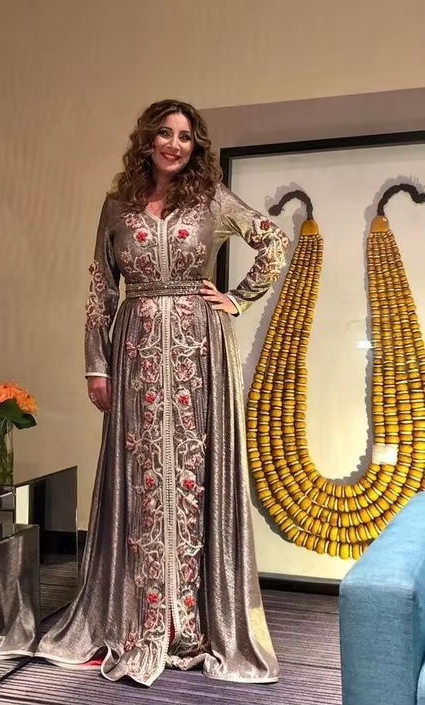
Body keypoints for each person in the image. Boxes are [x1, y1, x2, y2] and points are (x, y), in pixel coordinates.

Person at [35, 99, 290, 686]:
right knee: (143, 476)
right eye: (165, 133)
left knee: (194, 474)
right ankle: (142, 615)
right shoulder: (117, 206)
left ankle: (192, 620)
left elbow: (274, 242)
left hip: (200, 351)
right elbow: (101, 289)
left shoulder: (211, 200)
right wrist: (95, 366)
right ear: (147, 140)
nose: (174, 144)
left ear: (195, 145)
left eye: (185, 136)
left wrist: (237, 298)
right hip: (135, 354)